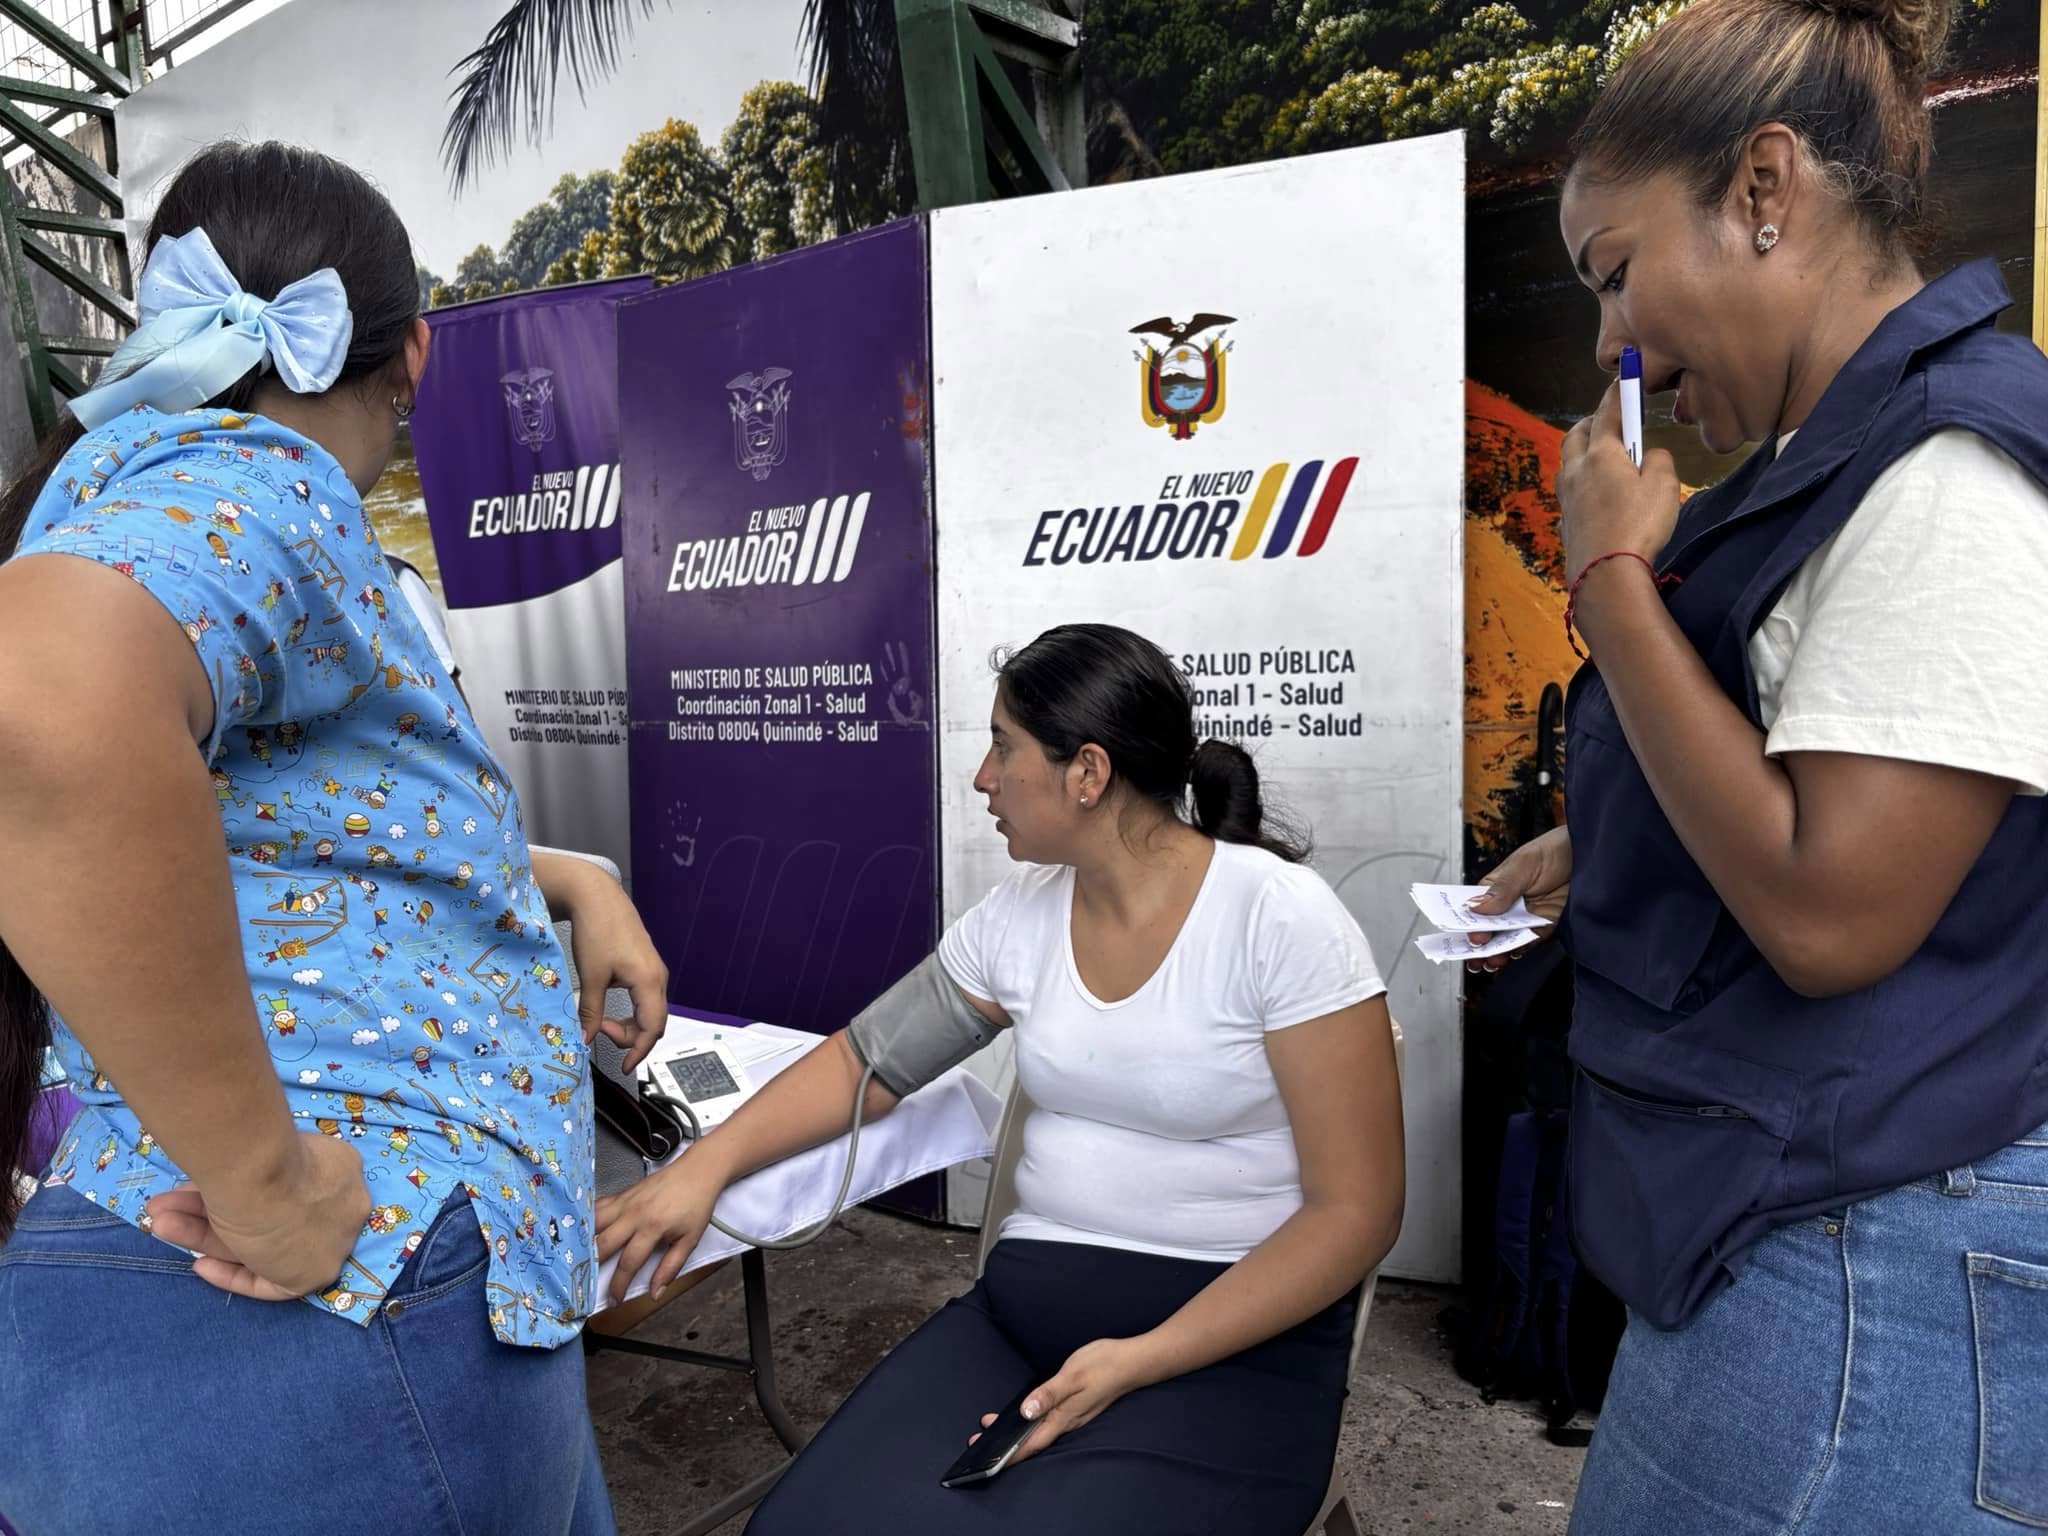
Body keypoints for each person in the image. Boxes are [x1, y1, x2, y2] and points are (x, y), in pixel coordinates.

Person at [0, 142, 669, 1533]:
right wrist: (273, 1190)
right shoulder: (262, 477)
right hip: (342, 1290)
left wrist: (570, 881)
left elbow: (305, 838)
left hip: (241, 1291)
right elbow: (43, 708)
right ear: (412, 354)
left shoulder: (112, 490)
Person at [1470, 0, 2048, 1529]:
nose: (1606, 344)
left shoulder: (1951, 471)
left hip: (1865, 1260)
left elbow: (1832, 912)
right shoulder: (1837, 462)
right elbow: (1814, 778)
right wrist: (1608, 846)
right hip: (1792, 1226)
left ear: (1764, 188)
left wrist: (1609, 582)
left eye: (1615, 273)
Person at [597, 622, 1406, 1535]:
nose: (983, 777)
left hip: (1231, 1351)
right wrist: (702, 1169)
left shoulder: (1280, 919)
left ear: (1088, 773)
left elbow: (1358, 1213)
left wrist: (1138, 1360)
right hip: (1026, 1323)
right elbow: (868, 1060)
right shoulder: (1019, 916)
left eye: (1003, 747)